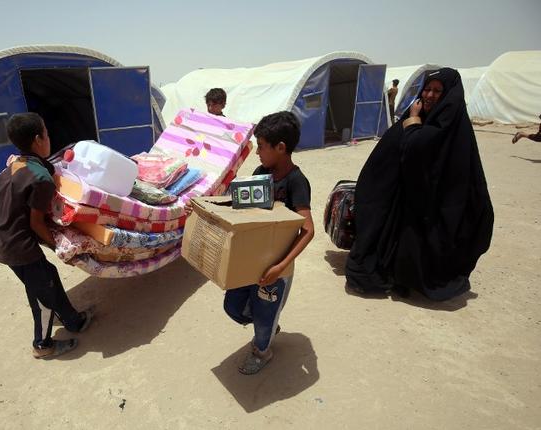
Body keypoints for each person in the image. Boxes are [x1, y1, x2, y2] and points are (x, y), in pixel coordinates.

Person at [346, 68, 494, 301]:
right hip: (414, 197)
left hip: (437, 200)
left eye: (437, 91)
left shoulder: (447, 123)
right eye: (427, 88)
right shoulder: (422, 115)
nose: (429, 95)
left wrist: (413, 123)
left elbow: (415, 149)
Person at [187, 111, 315, 374]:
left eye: (262, 146)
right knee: (233, 307)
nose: (257, 151)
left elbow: (308, 230)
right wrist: (202, 212)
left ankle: (263, 349)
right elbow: (236, 207)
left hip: (276, 271)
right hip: (249, 264)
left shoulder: (296, 182)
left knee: (265, 316)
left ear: (281, 148)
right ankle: (267, 323)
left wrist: (280, 267)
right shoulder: (260, 172)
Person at [0, 112, 93, 359]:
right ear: (38, 139)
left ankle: (73, 321)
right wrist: (57, 245)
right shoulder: (40, 179)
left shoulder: (12, 167)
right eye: (46, 133)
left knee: (46, 279)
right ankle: (42, 344)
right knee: (42, 295)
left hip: (5, 240)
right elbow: (36, 223)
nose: (49, 138)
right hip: (19, 247)